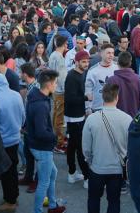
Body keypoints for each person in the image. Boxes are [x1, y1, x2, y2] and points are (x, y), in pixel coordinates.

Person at [82, 83, 132, 213]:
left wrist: (90, 160)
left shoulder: (92, 119)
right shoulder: (127, 119)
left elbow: (86, 147)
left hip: (97, 167)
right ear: (117, 97)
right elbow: (130, 146)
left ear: (102, 97)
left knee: (93, 199)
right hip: (117, 169)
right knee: (114, 201)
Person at [25, 69, 66, 213]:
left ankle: (53, 205)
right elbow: (41, 132)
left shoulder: (37, 97)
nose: (56, 85)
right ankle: (38, 210)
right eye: (55, 82)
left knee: (52, 174)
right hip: (42, 148)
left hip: (38, 146)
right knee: (43, 182)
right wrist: (56, 138)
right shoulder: (41, 105)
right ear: (49, 84)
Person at [0, 68, 25, 212]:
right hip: (15, 138)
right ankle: (13, 197)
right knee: (13, 170)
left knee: (6, 173)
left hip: (3, 142)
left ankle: (10, 201)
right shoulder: (16, 95)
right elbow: (23, 117)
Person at [63, 50, 91, 186]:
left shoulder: (80, 74)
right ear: (77, 62)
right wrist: (86, 98)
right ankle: (87, 178)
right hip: (74, 118)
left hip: (76, 116)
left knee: (73, 146)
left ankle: (72, 174)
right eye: (83, 61)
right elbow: (70, 99)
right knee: (80, 148)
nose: (86, 64)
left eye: (87, 61)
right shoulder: (72, 76)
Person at [106, 51, 140, 118]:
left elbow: (108, 102)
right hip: (133, 117)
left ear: (118, 63)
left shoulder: (111, 80)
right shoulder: (137, 78)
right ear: (130, 63)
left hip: (116, 117)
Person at [48, 34, 68, 152]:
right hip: (60, 90)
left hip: (55, 88)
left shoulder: (53, 55)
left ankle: (56, 137)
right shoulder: (59, 57)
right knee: (59, 117)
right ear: (64, 44)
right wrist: (66, 89)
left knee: (55, 114)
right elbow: (61, 76)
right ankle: (59, 142)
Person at [86, 43, 119, 112]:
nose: (111, 55)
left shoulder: (118, 68)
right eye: (108, 53)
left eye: (112, 53)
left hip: (114, 108)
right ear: (101, 54)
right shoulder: (93, 71)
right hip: (97, 108)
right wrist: (88, 108)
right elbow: (88, 90)